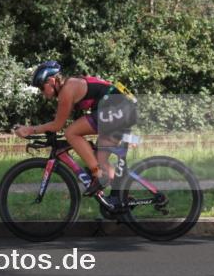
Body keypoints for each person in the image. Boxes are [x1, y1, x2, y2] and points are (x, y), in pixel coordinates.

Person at [13, 61, 132, 196]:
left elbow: (58, 125)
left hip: (117, 107)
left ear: (51, 80)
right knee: (99, 160)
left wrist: (29, 129)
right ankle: (122, 202)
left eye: (41, 87)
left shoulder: (68, 90)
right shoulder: (70, 86)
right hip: (121, 108)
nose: (42, 93)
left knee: (71, 132)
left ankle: (99, 176)